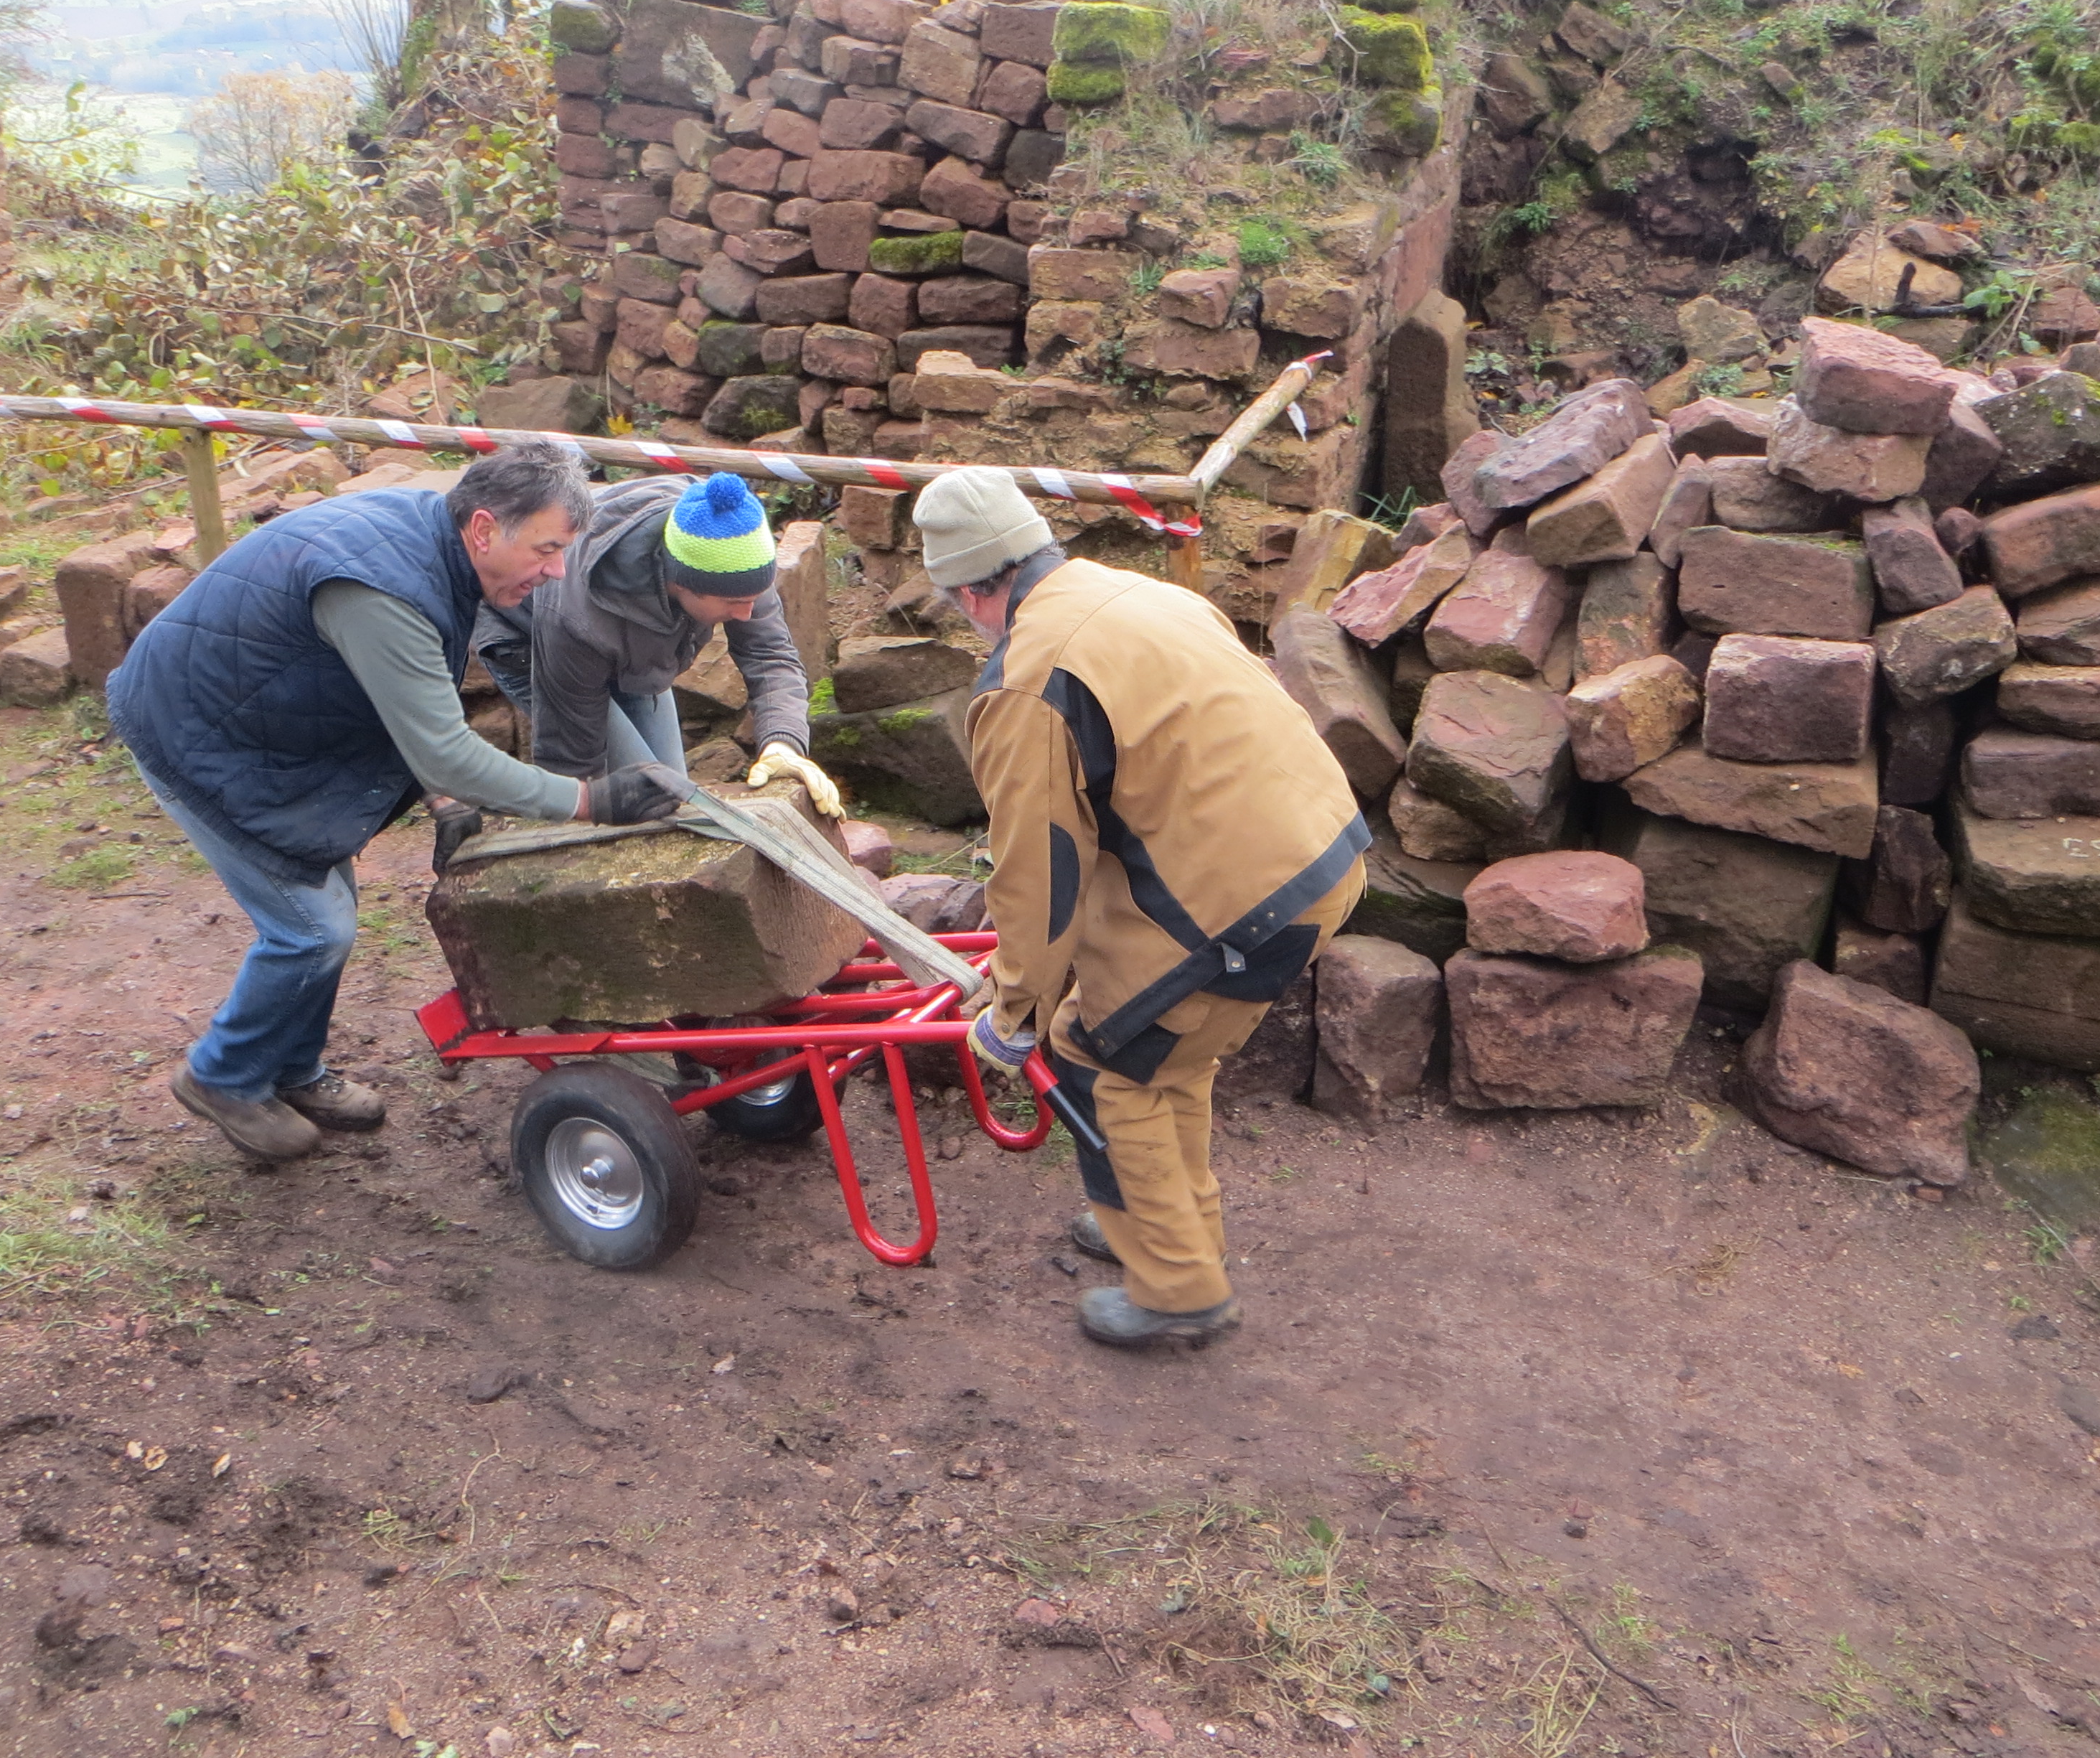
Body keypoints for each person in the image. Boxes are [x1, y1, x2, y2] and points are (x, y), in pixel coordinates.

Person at [108, 446, 677, 1164]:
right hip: (195, 730)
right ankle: (221, 1076)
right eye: (547, 550)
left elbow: (404, 697)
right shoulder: (386, 590)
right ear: (484, 529)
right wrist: (590, 800)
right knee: (312, 931)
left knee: (326, 904)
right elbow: (445, 750)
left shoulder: (435, 546)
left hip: (264, 720)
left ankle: (291, 1070)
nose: (558, 571)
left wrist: (444, 802)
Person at [929, 467, 1371, 1349]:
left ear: (973, 591)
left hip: (1242, 897)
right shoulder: (1136, 593)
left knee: (1103, 1056)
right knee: (1167, 1049)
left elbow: (1038, 871)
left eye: (956, 604)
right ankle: (1156, 1218)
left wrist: (1013, 1012)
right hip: (1321, 851)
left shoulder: (1026, 681)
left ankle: (1178, 1289)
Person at [472, 469, 840, 815]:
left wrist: (782, 743)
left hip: (634, 645)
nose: (746, 614)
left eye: (754, 599)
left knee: (672, 794)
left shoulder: (730, 541)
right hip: (532, 643)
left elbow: (769, 654)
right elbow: (573, 757)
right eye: (734, 603)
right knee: (641, 799)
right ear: (682, 584)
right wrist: (588, 807)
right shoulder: (576, 616)